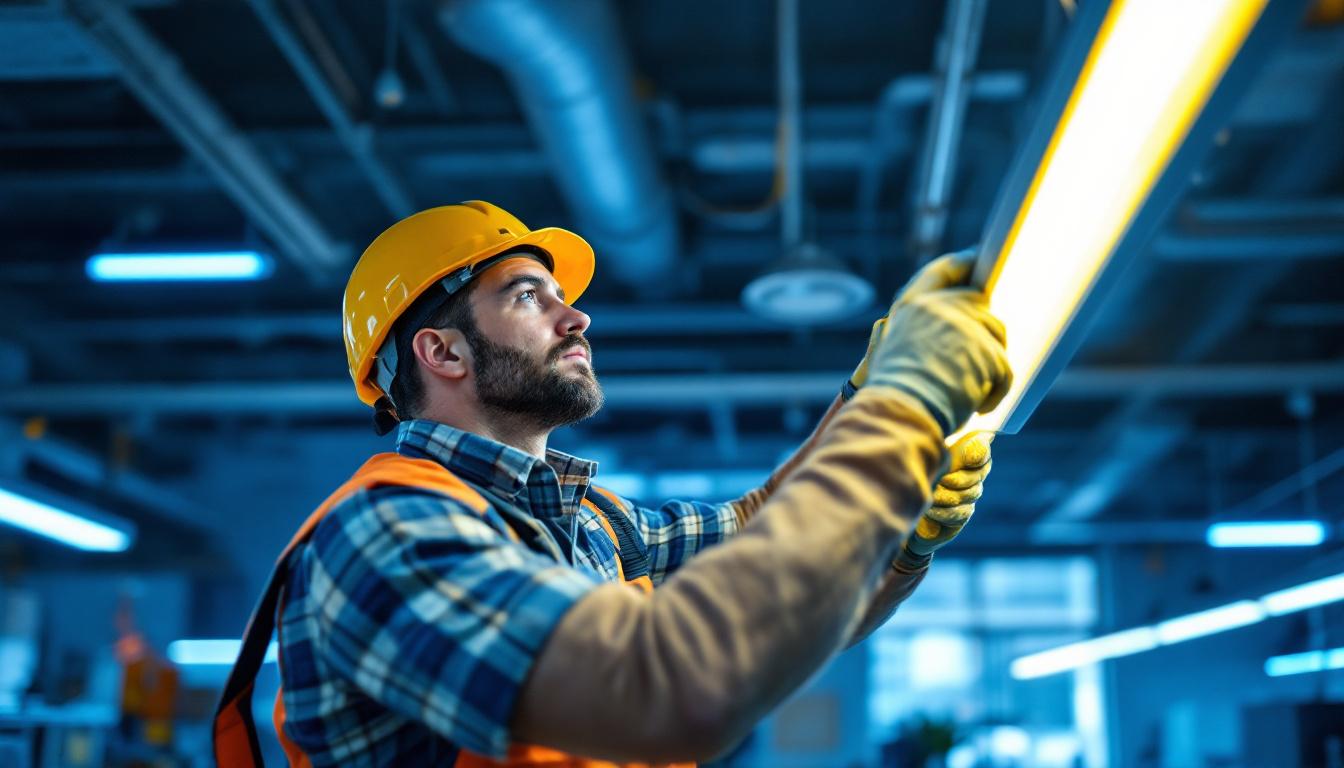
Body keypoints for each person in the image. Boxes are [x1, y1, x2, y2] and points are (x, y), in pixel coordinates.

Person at [213, 201, 1010, 767]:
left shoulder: (591, 523)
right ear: (443, 353)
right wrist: (906, 407)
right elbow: (669, 690)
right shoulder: (387, 535)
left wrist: (896, 512)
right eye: (529, 296)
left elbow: (770, 542)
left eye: (564, 298)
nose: (577, 319)